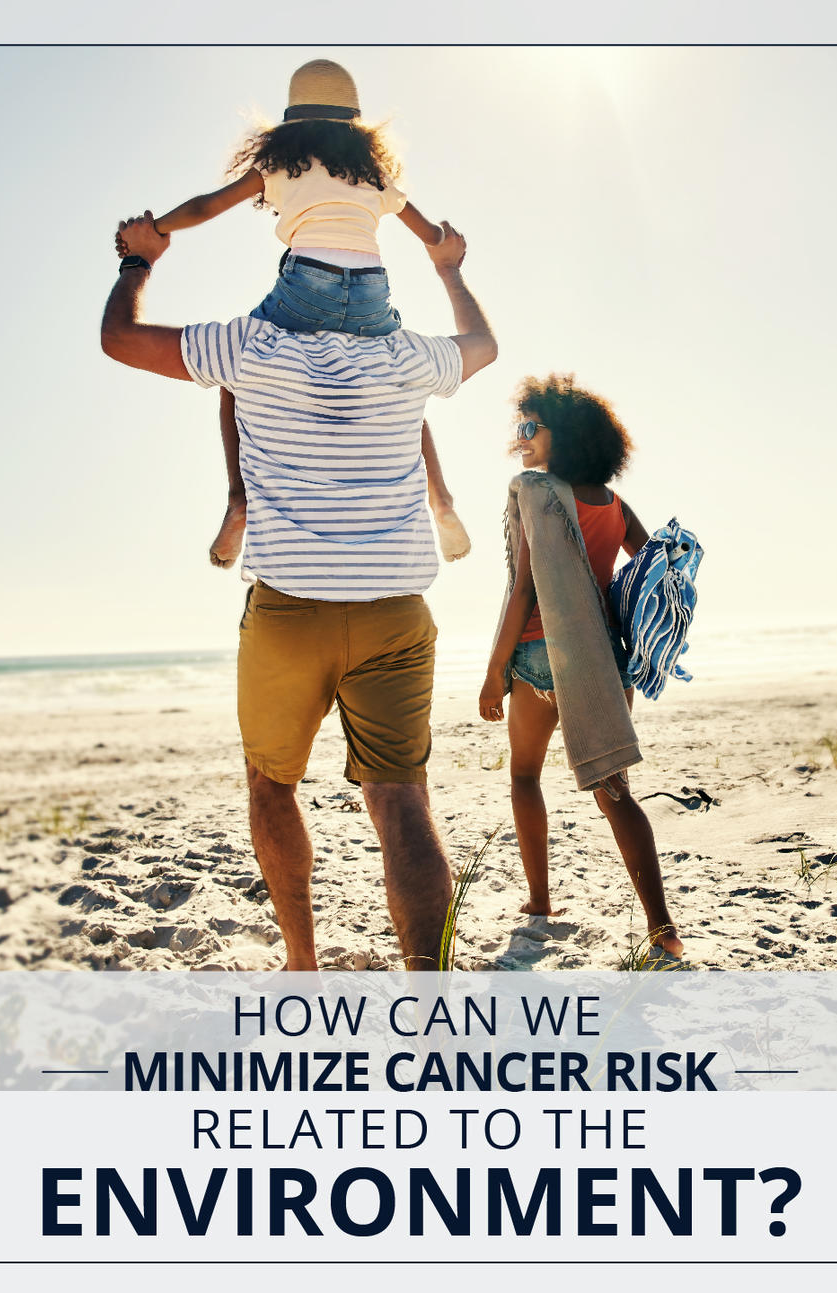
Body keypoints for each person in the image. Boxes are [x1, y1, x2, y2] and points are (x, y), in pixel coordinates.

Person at [102, 212, 497, 972]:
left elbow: (121, 337)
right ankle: (430, 992)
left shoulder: (252, 343)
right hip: (395, 610)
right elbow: (482, 346)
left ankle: (304, 963)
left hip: (289, 609)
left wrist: (138, 261)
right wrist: (449, 268)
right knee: (401, 799)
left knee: (271, 785)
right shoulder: (403, 352)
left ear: (289, 276)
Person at [118, 58, 470, 570]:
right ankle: (442, 501)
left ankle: (239, 501)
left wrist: (152, 232)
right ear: (357, 129)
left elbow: (205, 207)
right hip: (372, 293)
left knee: (234, 375)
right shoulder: (375, 177)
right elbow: (429, 236)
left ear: (292, 126)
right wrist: (448, 248)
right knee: (402, 384)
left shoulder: (284, 167)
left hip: (308, 287)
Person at [478, 375, 682, 960]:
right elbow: (651, 571)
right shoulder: (616, 504)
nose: (519, 440)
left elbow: (523, 590)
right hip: (604, 659)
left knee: (524, 777)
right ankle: (661, 925)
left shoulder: (535, 493)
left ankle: (539, 901)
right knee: (614, 790)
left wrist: (495, 669)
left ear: (559, 436)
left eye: (528, 428)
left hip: (540, 655)